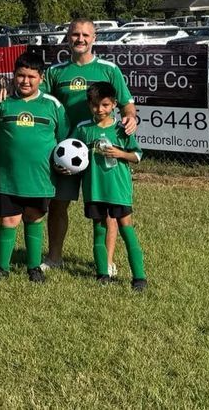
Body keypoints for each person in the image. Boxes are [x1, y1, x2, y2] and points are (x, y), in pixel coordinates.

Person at [40, 18, 136, 276]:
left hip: (100, 151)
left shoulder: (109, 70)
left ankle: (107, 261)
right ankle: (55, 256)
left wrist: (131, 118)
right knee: (58, 204)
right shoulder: (55, 72)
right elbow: (40, 101)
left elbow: (126, 105)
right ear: (67, 38)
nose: (80, 39)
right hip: (66, 152)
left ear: (94, 38)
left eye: (85, 35)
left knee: (107, 208)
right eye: (74, 34)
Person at [0, 52, 69, 283]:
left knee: (34, 218)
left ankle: (34, 267)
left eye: (31, 77)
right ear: (13, 76)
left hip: (40, 177)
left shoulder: (52, 105)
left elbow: (63, 140)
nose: (25, 81)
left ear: (41, 78)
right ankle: (1, 268)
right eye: (21, 76)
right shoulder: (2, 104)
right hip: (8, 177)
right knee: (7, 221)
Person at [72, 82, 147, 291]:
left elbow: (138, 155)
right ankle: (102, 273)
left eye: (105, 105)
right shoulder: (83, 129)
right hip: (94, 189)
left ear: (114, 104)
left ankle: (139, 277)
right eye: (95, 105)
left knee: (126, 228)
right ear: (89, 105)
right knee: (98, 229)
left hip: (118, 189)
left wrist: (121, 154)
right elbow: (72, 153)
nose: (100, 110)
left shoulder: (121, 129)